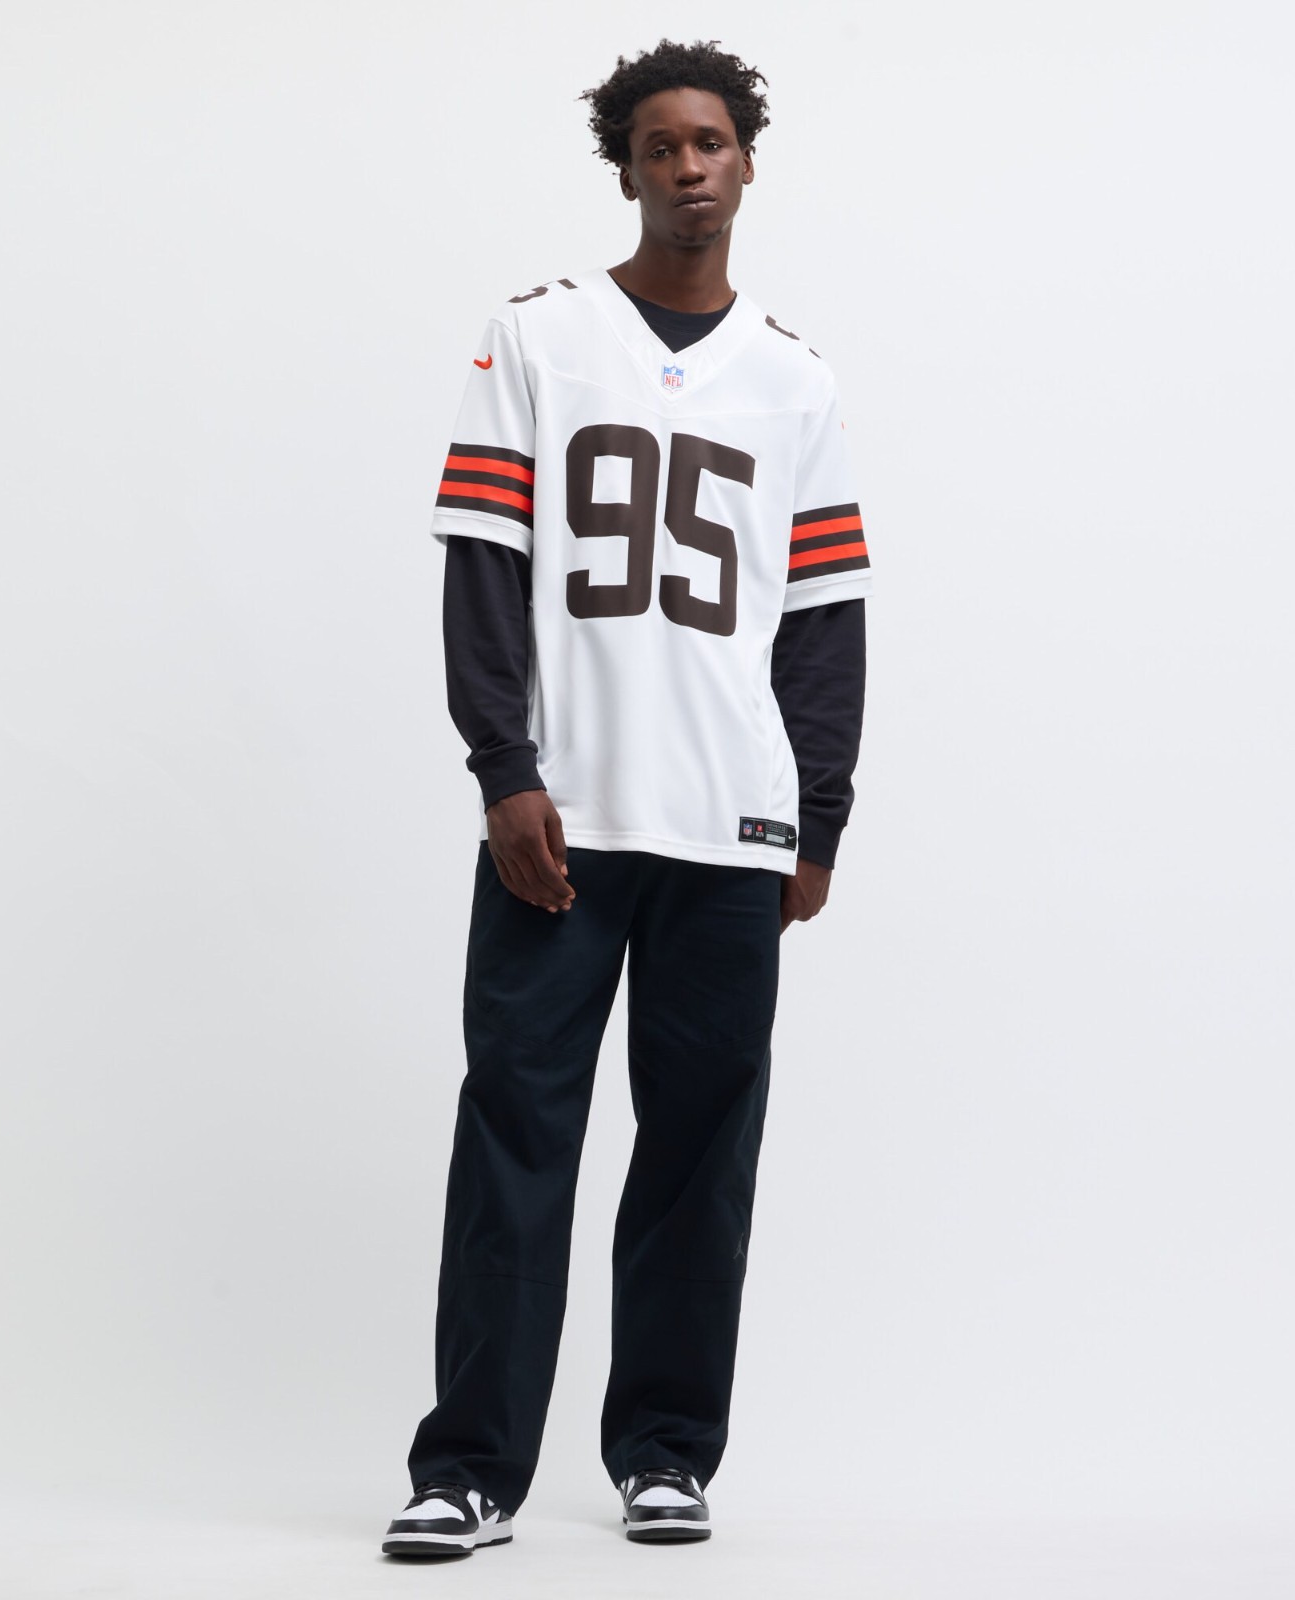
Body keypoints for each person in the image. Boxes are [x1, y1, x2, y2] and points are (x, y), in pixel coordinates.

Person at [382, 37, 871, 1558]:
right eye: (660, 145)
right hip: (566, 827)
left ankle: (668, 1453)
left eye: (710, 141)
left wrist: (819, 818)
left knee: (700, 1156)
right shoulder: (540, 336)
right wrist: (505, 769)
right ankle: (470, 1469)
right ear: (628, 169)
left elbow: (826, 620)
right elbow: (484, 566)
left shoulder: (793, 376)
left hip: (730, 829)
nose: (688, 166)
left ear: (747, 163)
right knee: (515, 1138)